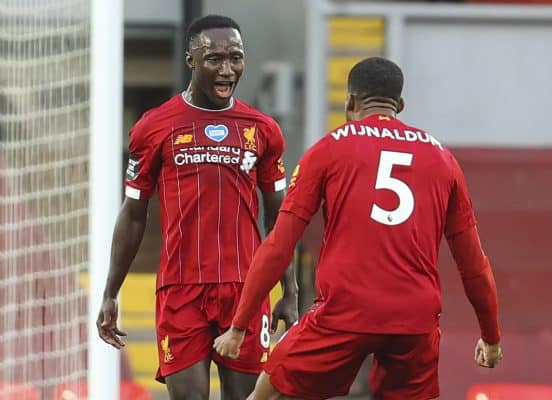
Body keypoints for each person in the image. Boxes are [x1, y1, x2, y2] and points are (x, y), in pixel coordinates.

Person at [214, 56, 502, 399]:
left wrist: (238, 326)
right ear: (400, 105)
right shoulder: (443, 159)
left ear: (350, 102)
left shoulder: (329, 149)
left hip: (345, 310)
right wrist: (491, 336)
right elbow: (473, 264)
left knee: (270, 394)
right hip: (415, 319)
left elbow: (279, 244)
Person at [96, 15, 298, 400]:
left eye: (235, 58)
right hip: (180, 290)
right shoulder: (154, 128)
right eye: (215, 59)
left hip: (246, 289)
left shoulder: (263, 129)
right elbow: (133, 213)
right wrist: (111, 291)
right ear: (190, 60)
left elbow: (280, 219)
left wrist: (289, 288)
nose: (227, 69)